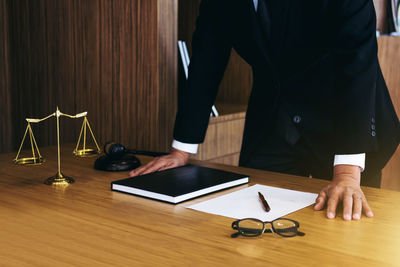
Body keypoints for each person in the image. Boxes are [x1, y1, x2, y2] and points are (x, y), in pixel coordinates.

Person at [130, 0, 400, 221]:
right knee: (252, 221)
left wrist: (347, 173)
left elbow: (356, 65)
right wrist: (181, 150)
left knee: (341, 228)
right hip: (273, 121)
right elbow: (206, 60)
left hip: (345, 123)